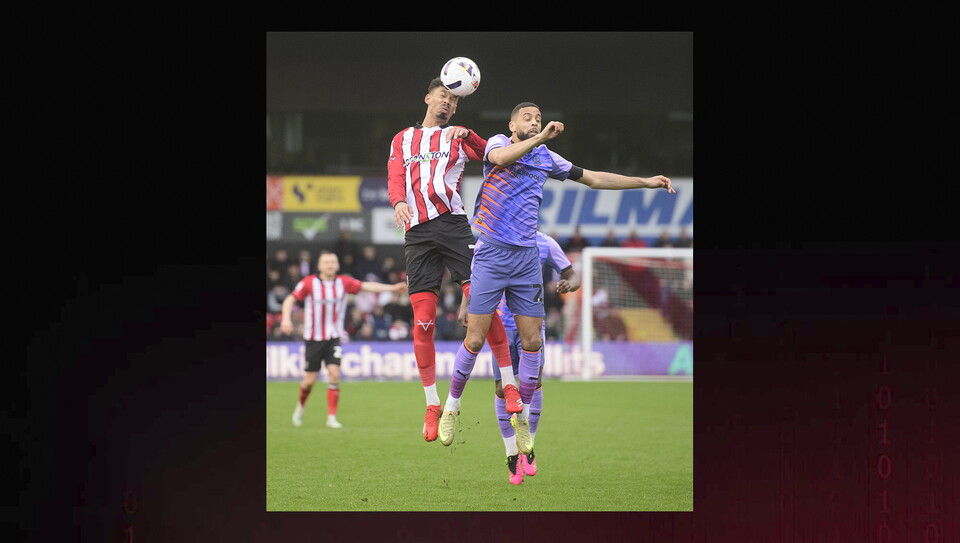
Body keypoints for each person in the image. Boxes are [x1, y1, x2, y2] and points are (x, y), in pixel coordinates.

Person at [438, 101, 675, 453]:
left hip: (526, 259)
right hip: (490, 253)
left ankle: (525, 421)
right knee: (474, 339)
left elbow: (593, 178)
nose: (535, 122)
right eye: (527, 118)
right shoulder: (497, 143)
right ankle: (452, 406)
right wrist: (542, 137)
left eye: (538, 118)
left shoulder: (547, 157)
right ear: (512, 124)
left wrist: (644, 181)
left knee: (534, 343)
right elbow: (502, 160)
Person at [388, 77, 520, 442]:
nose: (447, 103)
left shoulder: (456, 136)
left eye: (453, 100)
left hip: (453, 225)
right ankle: (432, 404)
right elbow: (395, 176)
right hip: (417, 233)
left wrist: (471, 136)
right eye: (442, 96)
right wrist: (398, 202)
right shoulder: (403, 139)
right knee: (424, 320)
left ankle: (509, 384)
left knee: (482, 304)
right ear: (428, 98)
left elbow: (491, 156)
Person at [490, 231, 579, 484]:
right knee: (501, 389)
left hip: (532, 323)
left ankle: (527, 450)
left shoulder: (546, 243)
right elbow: (475, 279)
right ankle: (510, 454)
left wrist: (568, 284)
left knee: (534, 382)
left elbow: (573, 277)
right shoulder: (496, 239)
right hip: (502, 325)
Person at [281, 250, 406, 429]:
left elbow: (366, 286)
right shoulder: (308, 283)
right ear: (319, 265)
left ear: (338, 265)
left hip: (334, 337)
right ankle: (300, 408)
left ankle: (331, 418)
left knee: (334, 374)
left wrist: (392, 288)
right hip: (314, 339)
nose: (330, 265)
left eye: (333, 262)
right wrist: (286, 319)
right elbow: (289, 300)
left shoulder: (343, 282)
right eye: (327, 262)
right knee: (309, 380)